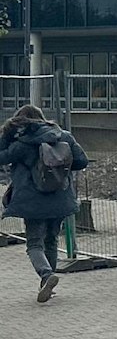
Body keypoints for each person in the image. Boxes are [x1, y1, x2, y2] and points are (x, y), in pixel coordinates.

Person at [1, 104, 89, 303]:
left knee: (34, 244)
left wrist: (6, 136)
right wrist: (60, 166)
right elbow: (82, 161)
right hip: (60, 198)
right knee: (51, 239)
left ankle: (46, 275)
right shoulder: (64, 136)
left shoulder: (22, 144)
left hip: (33, 203)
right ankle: (47, 283)